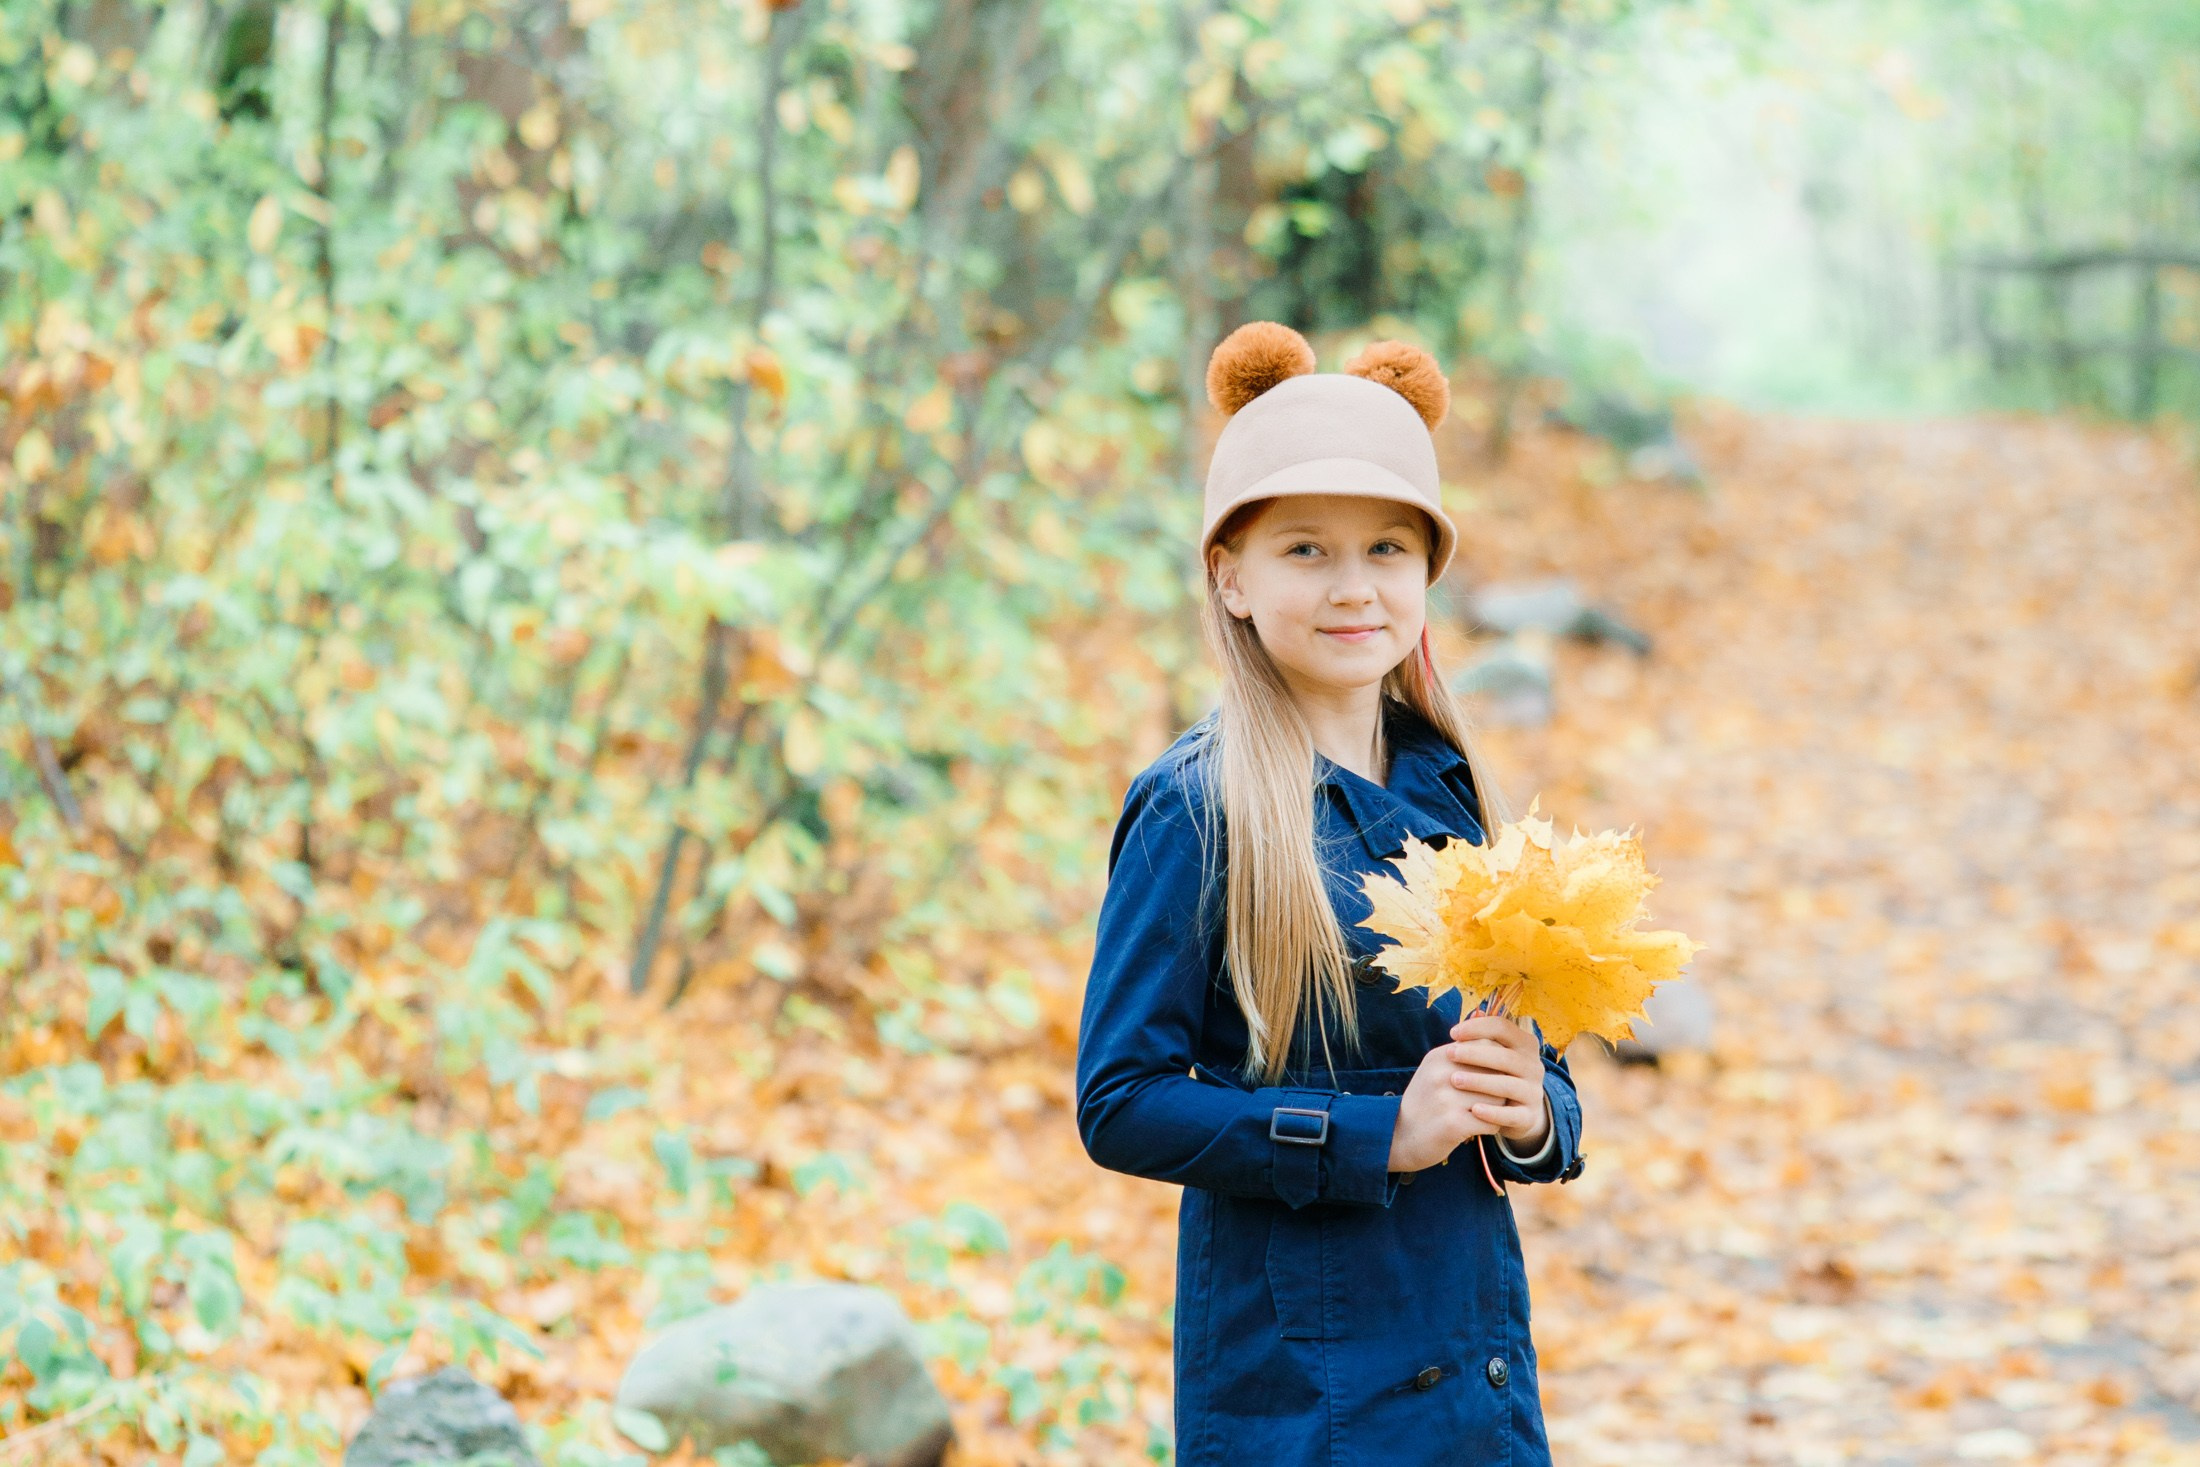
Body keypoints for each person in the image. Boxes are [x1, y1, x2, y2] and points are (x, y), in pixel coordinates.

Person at [1075, 323, 1585, 1465]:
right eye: (1305, 550)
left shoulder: (1449, 788)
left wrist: (1537, 1113)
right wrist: (1369, 1135)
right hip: (1306, 1391)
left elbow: (1529, 1063)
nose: (1354, 587)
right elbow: (1119, 1099)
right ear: (1231, 575)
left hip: (1473, 1360)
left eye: (1387, 551)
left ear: (1424, 575)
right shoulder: (1196, 808)